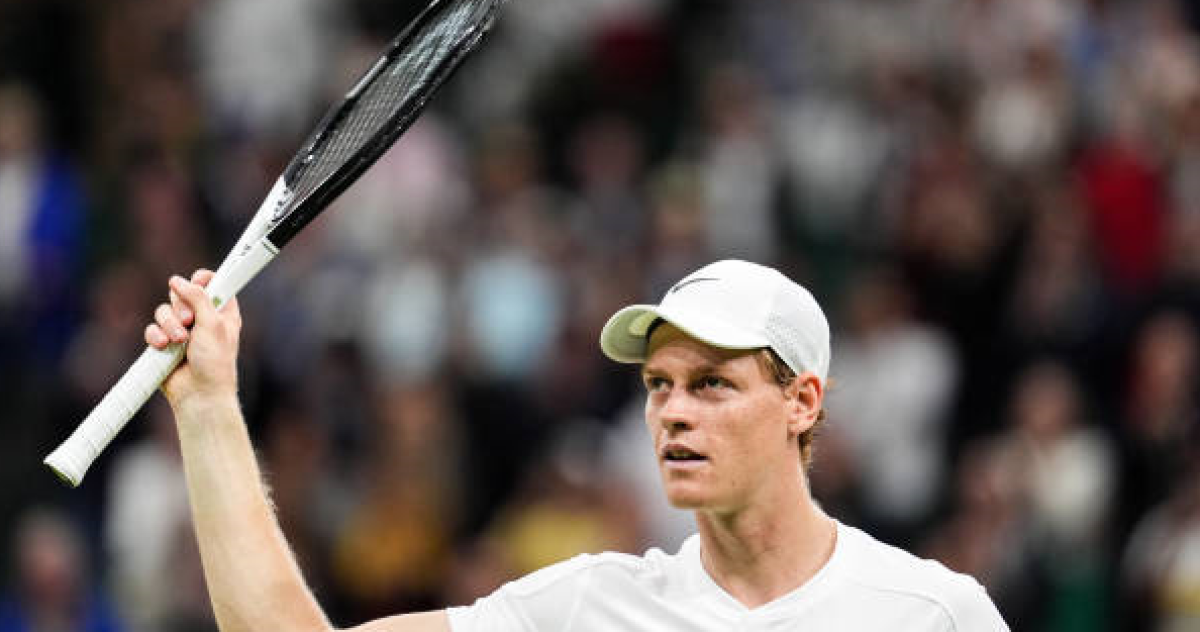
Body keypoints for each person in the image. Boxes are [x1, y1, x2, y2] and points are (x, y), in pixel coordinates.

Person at [145, 258, 1008, 631]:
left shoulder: (933, 612)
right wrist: (210, 403)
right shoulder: (587, 605)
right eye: (657, 385)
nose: (673, 412)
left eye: (712, 383)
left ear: (801, 402)